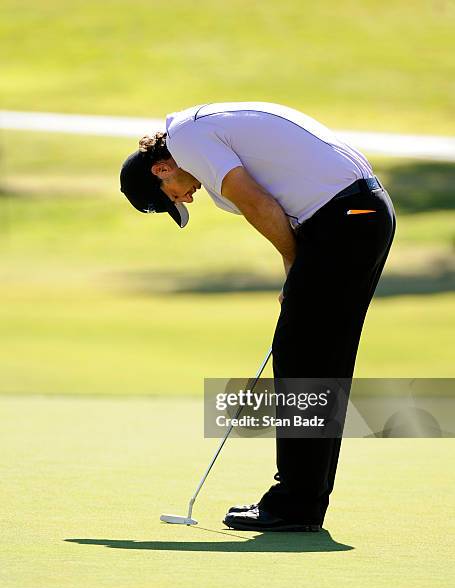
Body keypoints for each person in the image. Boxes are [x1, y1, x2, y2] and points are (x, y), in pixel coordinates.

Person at [120, 102, 396, 532]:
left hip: (346, 219)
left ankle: (294, 504)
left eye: (175, 196)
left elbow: (260, 205)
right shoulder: (200, 131)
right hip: (359, 214)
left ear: (161, 171)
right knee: (319, 362)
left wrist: (293, 268)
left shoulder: (188, 139)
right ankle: (302, 501)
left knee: (303, 361)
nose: (187, 198)